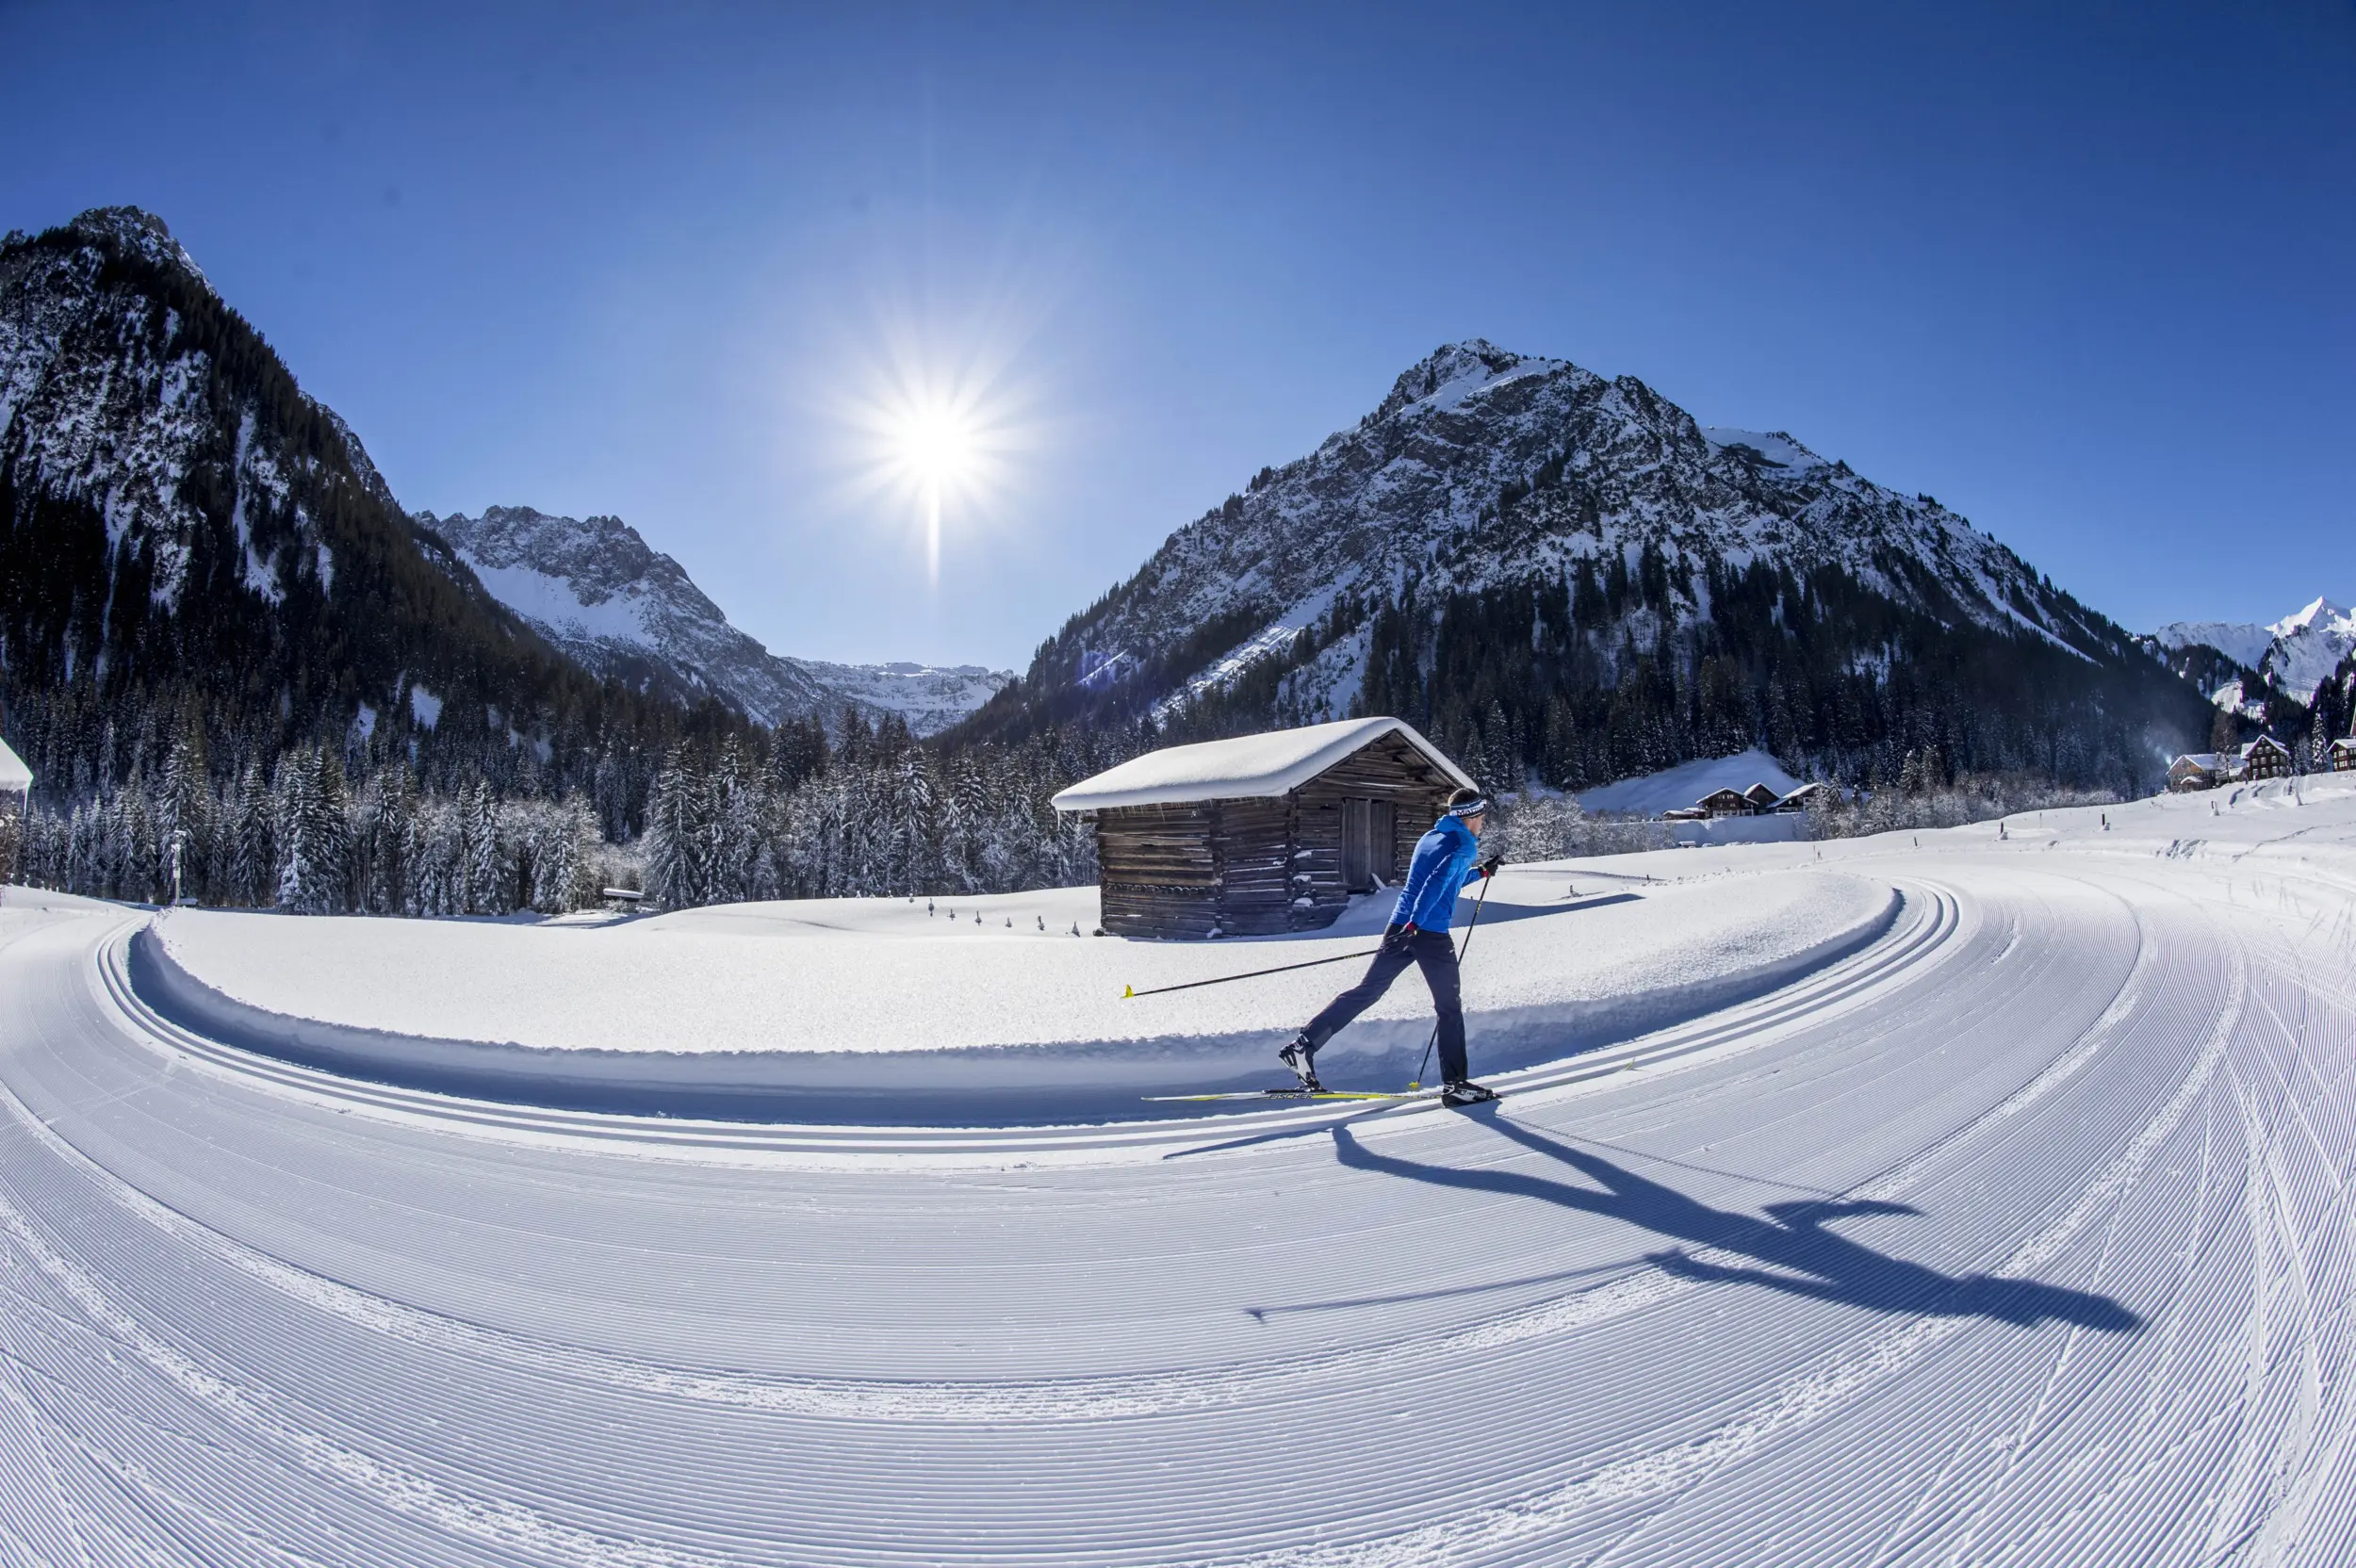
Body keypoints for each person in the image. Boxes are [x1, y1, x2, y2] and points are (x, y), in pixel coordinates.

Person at [1280, 787, 1502, 1106]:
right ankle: (1456, 1085)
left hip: (1400, 926)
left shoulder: (1431, 838)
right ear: (1469, 817)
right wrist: (1418, 923)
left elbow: (1441, 881)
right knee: (1449, 1008)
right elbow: (1435, 885)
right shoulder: (1463, 845)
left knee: (1368, 990)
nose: (1483, 823)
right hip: (1429, 933)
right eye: (1481, 817)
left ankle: (1304, 1046)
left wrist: (1479, 873)